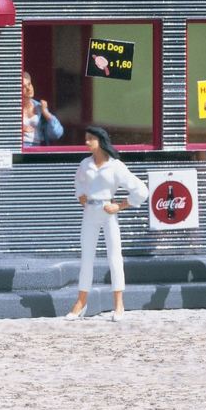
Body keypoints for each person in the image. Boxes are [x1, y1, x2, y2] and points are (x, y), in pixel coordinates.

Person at [66, 126, 149, 322]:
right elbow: (78, 182)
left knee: (115, 257)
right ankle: (81, 301)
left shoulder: (115, 166)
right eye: (86, 138)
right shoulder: (85, 164)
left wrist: (120, 205)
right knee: (86, 257)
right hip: (90, 213)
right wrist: (80, 196)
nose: (87, 142)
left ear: (100, 141)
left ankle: (119, 303)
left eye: (90, 139)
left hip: (108, 213)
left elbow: (141, 190)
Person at [22, 71, 63, 146]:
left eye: (29, 84)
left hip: (36, 148)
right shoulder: (12, 107)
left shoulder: (39, 107)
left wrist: (46, 113)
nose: (28, 89)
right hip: (18, 148)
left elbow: (57, 134)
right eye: (23, 87)